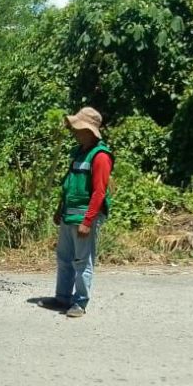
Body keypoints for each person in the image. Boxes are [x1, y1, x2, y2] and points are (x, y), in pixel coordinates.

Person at [48, 106, 114, 318]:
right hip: (69, 215)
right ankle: (62, 297)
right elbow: (69, 184)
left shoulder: (100, 156)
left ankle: (80, 302)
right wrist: (60, 210)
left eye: (78, 128)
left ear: (89, 130)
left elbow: (99, 192)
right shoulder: (79, 153)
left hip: (84, 217)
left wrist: (88, 221)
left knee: (82, 262)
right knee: (64, 258)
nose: (74, 132)